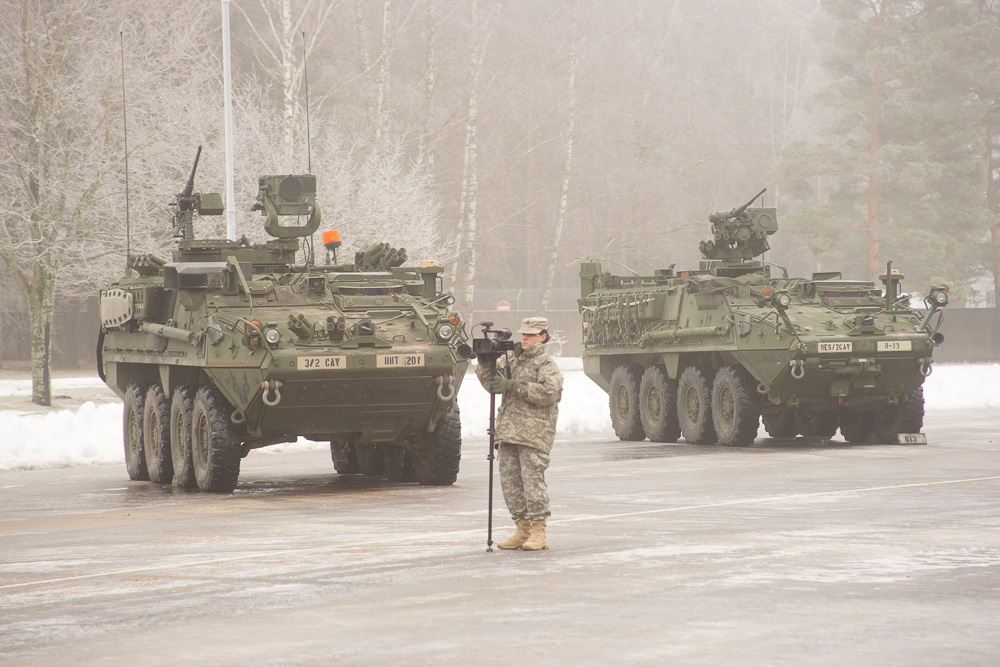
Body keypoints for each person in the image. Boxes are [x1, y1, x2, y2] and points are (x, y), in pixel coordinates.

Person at [476, 316, 563, 551]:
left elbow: (548, 393)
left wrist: (514, 387)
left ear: (542, 337)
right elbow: (492, 383)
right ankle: (522, 530)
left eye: (530, 334)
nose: (524, 337)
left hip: (534, 434)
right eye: (523, 333)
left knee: (532, 483)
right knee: (511, 484)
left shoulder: (546, 364)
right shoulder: (511, 360)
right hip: (509, 431)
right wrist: (485, 362)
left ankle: (538, 532)